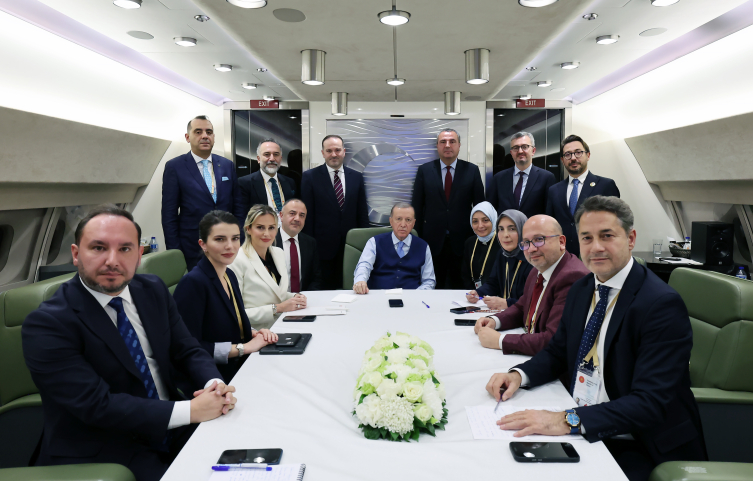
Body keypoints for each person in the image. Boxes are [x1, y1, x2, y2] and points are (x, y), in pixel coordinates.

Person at [486, 196, 706, 481]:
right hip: (583, 418)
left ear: (630, 239)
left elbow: (649, 403)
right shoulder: (582, 289)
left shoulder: (660, 304)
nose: (596, 247)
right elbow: (557, 351)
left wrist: (566, 420)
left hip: (636, 442)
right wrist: (519, 375)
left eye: (607, 236)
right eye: (587, 238)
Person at [22, 205, 236, 481]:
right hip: (106, 446)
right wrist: (192, 410)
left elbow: (187, 348)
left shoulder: (152, 290)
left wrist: (213, 385)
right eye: (98, 248)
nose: (112, 260)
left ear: (139, 254)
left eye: (125, 249)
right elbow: (97, 405)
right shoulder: (48, 323)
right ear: (76, 254)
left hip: (172, 425)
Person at [173, 211, 278, 384]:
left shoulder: (229, 274)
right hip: (214, 377)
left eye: (235, 238)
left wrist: (254, 333)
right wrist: (243, 348)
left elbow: (229, 324)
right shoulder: (193, 283)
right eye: (220, 239)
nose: (230, 246)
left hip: (240, 364)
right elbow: (188, 348)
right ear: (203, 244)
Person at [473, 215, 589, 355]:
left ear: (561, 242)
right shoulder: (537, 270)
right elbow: (522, 307)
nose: (531, 249)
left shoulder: (572, 277)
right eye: (526, 242)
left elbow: (553, 339)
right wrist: (495, 320)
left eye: (539, 239)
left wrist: (501, 340)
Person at [162, 115, 245, 270]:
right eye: (198, 132)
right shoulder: (175, 167)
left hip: (227, 245)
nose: (205, 136)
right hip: (192, 246)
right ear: (188, 137)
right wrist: (175, 252)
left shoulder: (227, 165)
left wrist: (240, 239)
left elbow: (238, 206)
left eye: (209, 132)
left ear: (213, 137)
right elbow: (169, 215)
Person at [412, 128, 485, 289]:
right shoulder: (424, 170)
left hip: (463, 241)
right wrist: (417, 238)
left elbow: (480, 206)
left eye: (452, 141)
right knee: (432, 286)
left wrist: (480, 237)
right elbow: (417, 206)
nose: (447, 145)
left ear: (459, 145)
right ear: (437, 146)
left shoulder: (472, 170)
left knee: (461, 287)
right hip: (431, 242)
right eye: (443, 142)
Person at [301, 135, 369, 289]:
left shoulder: (356, 177)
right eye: (329, 151)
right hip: (322, 249)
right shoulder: (310, 177)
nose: (334, 154)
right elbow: (307, 216)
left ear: (344, 152)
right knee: (325, 290)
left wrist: (364, 242)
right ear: (323, 153)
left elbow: (362, 213)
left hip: (351, 246)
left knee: (351, 289)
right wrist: (308, 246)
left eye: (337, 150)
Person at [229, 204, 307, 330]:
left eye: (271, 227)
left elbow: (276, 294)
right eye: (260, 227)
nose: (266, 233)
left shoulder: (278, 253)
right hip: (256, 333)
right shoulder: (237, 260)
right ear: (248, 229)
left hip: (284, 325)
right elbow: (234, 314)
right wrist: (278, 308)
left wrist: (294, 297)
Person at [546, 134, 620, 257]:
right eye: (568, 154)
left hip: (596, 255)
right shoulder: (554, 190)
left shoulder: (605, 185)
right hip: (562, 257)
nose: (573, 158)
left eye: (578, 152)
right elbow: (550, 225)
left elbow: (616, 223)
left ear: (588, 155)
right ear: (562, 160)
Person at [353, 203, 435, 294]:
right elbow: (364, 265)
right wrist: (360, 281)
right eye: (398, 219)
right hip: (378, 296)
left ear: (413, 223)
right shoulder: (374, 242)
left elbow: (429, 281)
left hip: (412, 298)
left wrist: (414, 296)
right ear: (391, 221)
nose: (403, 224)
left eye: (408, 220)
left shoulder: (423, 246)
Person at [466, 209, 532, 310]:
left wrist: (508, 303)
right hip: (504, 313)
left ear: (523, 231)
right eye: (501, 229)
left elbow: (534, 300)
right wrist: (479, 292)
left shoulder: (532, 258)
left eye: (512, 229)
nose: (505, 235)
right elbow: (494, 283)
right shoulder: (502, 254)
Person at [485, 131, 556, 219]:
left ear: (533, 151)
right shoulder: (499, 178)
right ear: (511, 153)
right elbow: (491, 210)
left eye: (524, 147)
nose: (520, 151)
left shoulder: (546, 178)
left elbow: (549, 213)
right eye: (516, 148)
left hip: (533, 227)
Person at [238, 138, 297, 217]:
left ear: (281, 158)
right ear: (258, 159)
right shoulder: (245, 183)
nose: (272, 159)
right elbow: (241, 215)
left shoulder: (290, 182)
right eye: (267, 154)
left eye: (276, 154)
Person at [274, 199, 323, 292]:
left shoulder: (310, 243)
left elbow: (316, 278)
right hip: (278, 298)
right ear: (281, 216)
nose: (297, 219)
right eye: (292, 213)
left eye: (302, 215)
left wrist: (307, 296)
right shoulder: (270, 242)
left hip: (305, 298)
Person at [461, 202, 501, 291]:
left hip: (496, 295)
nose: (480, 226)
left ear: (493, 219)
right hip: (473, 294)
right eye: (475, 221)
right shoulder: (470, 242)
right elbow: (465, 274)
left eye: (485, 220)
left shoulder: (502, 242)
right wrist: (473, 293)